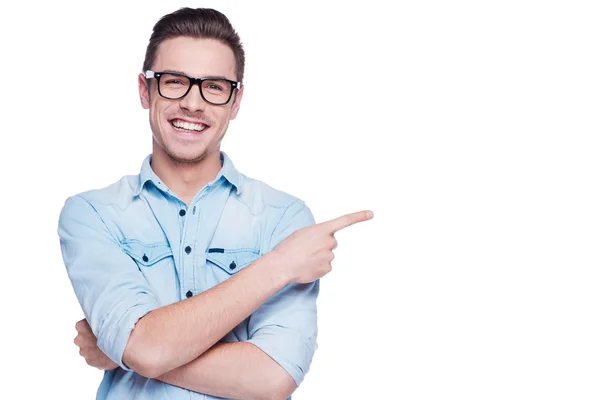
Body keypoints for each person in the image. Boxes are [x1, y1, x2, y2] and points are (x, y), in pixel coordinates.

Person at [58, 7, 373, 400]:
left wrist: (124, 349)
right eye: (174, 82)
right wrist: (277, 266)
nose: (193, 103)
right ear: (145, 90)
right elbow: (145, 349)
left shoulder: (285, 218)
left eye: (215, 86)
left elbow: (271, 378)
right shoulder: (91, 215)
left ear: (235, 101)